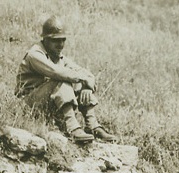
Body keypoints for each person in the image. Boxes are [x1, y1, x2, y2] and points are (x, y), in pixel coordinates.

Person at [14, 16, 116, 145]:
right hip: (28, 105)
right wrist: (82, 78)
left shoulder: (58, 56)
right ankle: (72, 127)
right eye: (56, 41)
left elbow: (87, 74)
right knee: (61, 80)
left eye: (63, 40)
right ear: (45, 39)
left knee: (79, 84)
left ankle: (92, 126)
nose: (60, 45)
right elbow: (56, 72)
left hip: (47, 103)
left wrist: (87, 87)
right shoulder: (35, 54)